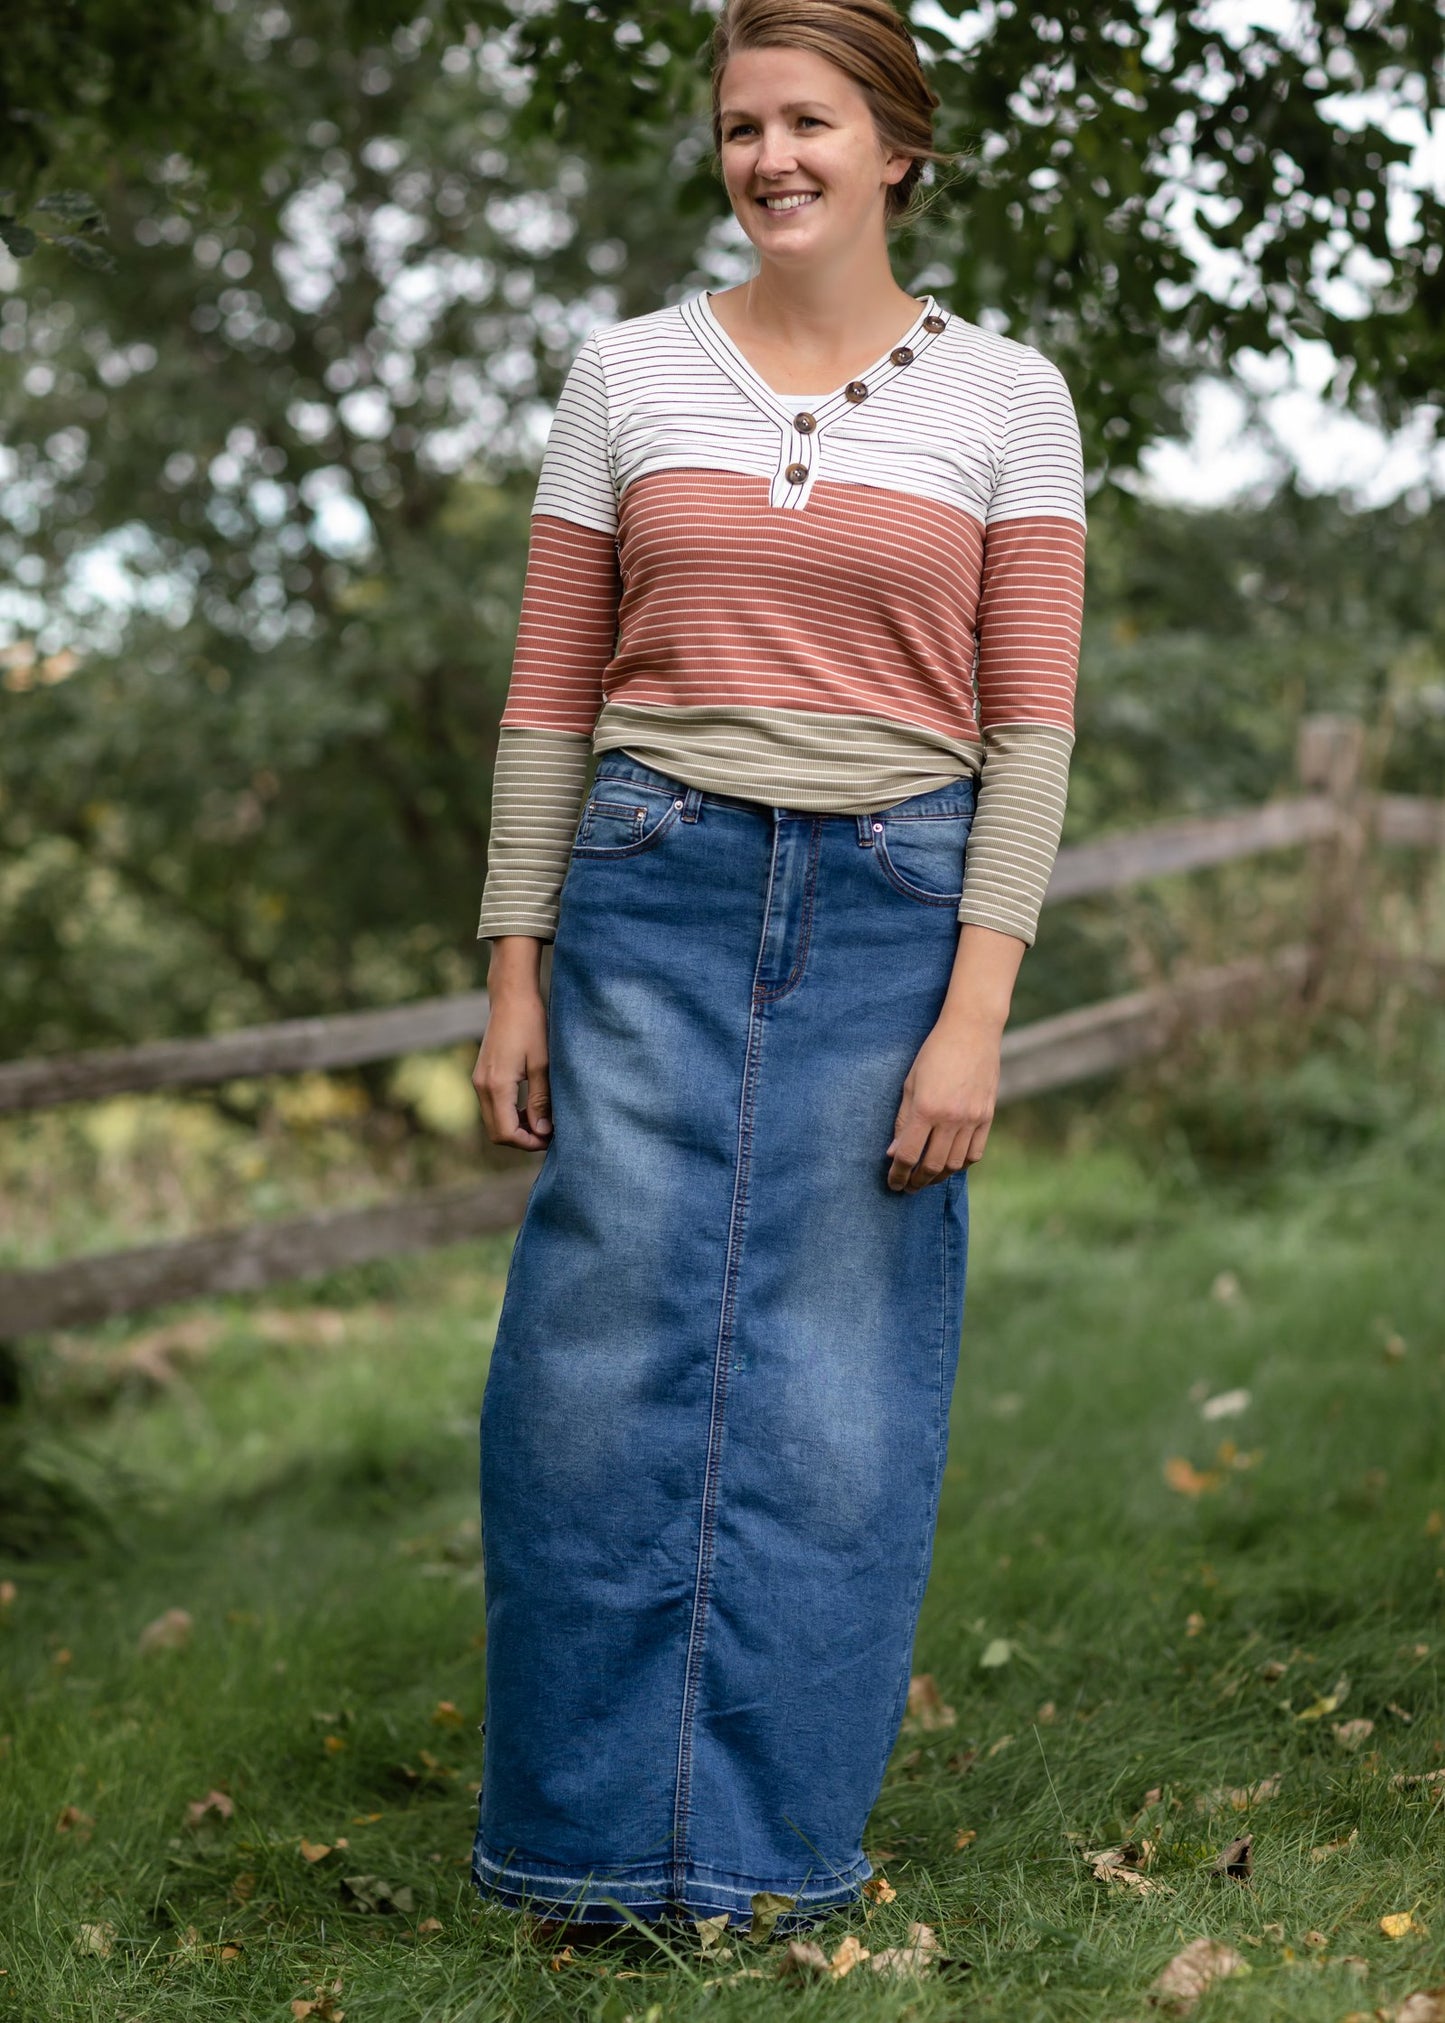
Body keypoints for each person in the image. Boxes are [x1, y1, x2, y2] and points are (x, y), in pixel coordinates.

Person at [468, 0, 1085, 1938]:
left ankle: (755, 1861)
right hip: (650, 886)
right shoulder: (625, 377)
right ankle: (584, 1856)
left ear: (898, 146)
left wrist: (978, 1007)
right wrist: (514, 963)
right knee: (587, 1382)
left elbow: (1037, 733)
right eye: (743, 126)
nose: (771, 159)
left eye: (809, 120)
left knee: (829, 1402)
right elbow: (551, 692)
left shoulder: (1009, 401)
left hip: (897, 913)